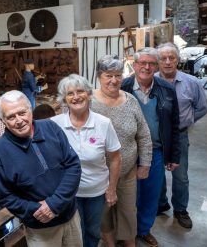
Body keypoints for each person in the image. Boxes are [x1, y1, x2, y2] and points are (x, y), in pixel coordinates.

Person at [0, 90, 82, 247]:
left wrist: (54, 204)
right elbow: (4, 195)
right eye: (11, 117)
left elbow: (73, 165)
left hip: (70, 217)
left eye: (22, 112)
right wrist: (36, 209)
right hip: (40, 227)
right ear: (2, 121)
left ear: (30, 110)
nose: (19, 120)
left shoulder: (51, 128)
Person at [51, 74, 121, 247]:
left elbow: (115, 158)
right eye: (70, 94)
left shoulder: (103, 123)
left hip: (96, 192)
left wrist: (111, 189)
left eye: (80, 91)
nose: (76, 97)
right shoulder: (54, 125)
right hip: (68, 194)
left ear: (89, 94)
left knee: (92, 231)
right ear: (64, 100)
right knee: (74, 234)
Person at [121, 47, 180, 247]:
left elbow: (174, 124)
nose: (147, 67)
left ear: (156, 66)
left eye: (152, 63)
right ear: (134, 65)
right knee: (129, 196)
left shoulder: (166, 88)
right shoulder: (123, 87)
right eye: (142, 63)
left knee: (150, 194)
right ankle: (127, 233)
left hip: (155, 152)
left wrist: (174, 155)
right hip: (128, 151)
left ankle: (144, 230)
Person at [91, 55, 153, 247]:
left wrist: (145, 163)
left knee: (128, 212)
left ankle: (129, 244)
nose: (114, 80)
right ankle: (110, 244)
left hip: (127, 172)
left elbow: (143, 134)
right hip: (98, 175)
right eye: (108, 75)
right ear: (99, 76)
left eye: (118, 75)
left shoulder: (131, 101)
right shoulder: (88, 102)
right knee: (103, 215)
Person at [155, 43, 207, 229]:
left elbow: (202, 107)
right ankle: (160, 204)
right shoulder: (150, 81)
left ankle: (180, 209)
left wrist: (187, 121)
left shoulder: (191, 82)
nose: (168, 62)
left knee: (180, 176)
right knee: (156, 173)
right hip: (156, 136)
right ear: (158, 61)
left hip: (179, 136)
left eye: (172, 58)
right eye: (163, 58)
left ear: (178, 59)